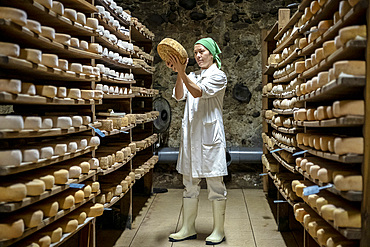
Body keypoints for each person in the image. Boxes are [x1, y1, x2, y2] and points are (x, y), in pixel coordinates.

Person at [166, 37, 228, 245]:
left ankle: (218, 230)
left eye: (202, 51)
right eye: (195, 52)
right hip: (192, 139)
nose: (198, 56)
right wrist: (179, 73)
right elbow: (179, 95)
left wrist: (182, 72)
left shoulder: (218, 76)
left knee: (215, 186)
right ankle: (188, 228)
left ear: (212, 54)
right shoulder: (191, 75)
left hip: (210, 139)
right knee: (190, 185)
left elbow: (197, 92)